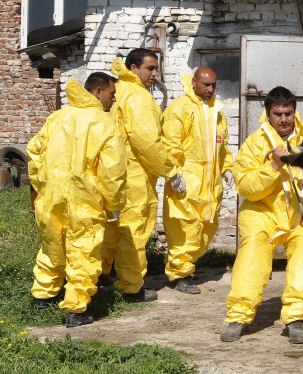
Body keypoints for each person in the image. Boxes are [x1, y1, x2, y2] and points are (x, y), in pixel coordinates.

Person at [220, 86, 303, 344]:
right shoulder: (253, 144)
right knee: (252, 251)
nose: (284, 119)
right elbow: (246, 188)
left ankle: (296, 318)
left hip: (301, 212)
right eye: (278, 113)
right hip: (261, 211)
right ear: (267, 114)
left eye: (288, 113)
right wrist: (274, 166)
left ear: (294, 112)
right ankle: (239, 317)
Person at [28, 72, 126, 327]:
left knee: (53, 244)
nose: (113, 100)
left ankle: (43, 295)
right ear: (98, 92)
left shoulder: (58, 116)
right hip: (85, 199)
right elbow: (112, 171)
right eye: (111, 94)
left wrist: (41, 186)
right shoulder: (103, 124)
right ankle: (76, 310)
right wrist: (114, 204)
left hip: (53, 194)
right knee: (84, 250)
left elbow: (35, 151)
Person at [101, 48, 186, 303]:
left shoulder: (118, 90)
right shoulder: (137, 96)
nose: (154, 74)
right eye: (149, 68)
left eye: (156, 69)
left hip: (116, 171)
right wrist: (170, 171)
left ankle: (101, 275)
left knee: (113, 228)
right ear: (134, 67)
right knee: (133, 231)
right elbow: (146, 142)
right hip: (135, 174)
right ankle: (130, 287)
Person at [161, 67, 234, 294]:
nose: (210, 89)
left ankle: (183, 265)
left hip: (211, 183)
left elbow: (222, 145)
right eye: (206, 85)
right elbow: (169, 144)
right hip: (187, 181)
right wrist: (173, 174)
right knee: (184, 228)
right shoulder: (180, 109)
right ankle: (180, 274)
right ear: (194, 82)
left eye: (214, 85)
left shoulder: (216, 111)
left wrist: (227, 168)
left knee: (206, 226)